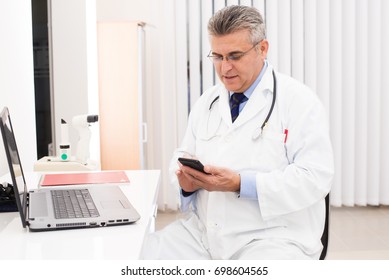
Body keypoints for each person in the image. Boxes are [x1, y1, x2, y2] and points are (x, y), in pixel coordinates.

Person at [141, 5, 334, 260]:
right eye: (218, 57)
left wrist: (241, 184)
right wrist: (186, 183)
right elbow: (183, 154)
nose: (224, 68)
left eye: (234, 55)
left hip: (273, 239)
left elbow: (315, 177)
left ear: (262, 49)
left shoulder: (299, 102)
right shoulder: (207, 102)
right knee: (138, 258)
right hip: (203, 236)